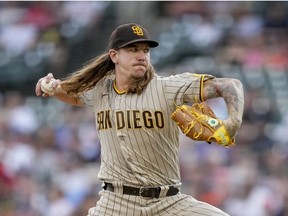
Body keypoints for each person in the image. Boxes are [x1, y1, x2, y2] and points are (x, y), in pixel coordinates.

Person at [35, 23, 244, 216]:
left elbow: (231, 85)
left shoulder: (166, 88)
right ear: (114, 55)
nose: (141, 55)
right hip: (116, 203)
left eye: (145, 50)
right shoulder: (99, 92)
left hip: (169, 202)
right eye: (133, 49)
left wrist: (232, 122)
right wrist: (50, 86)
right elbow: (71, 94)